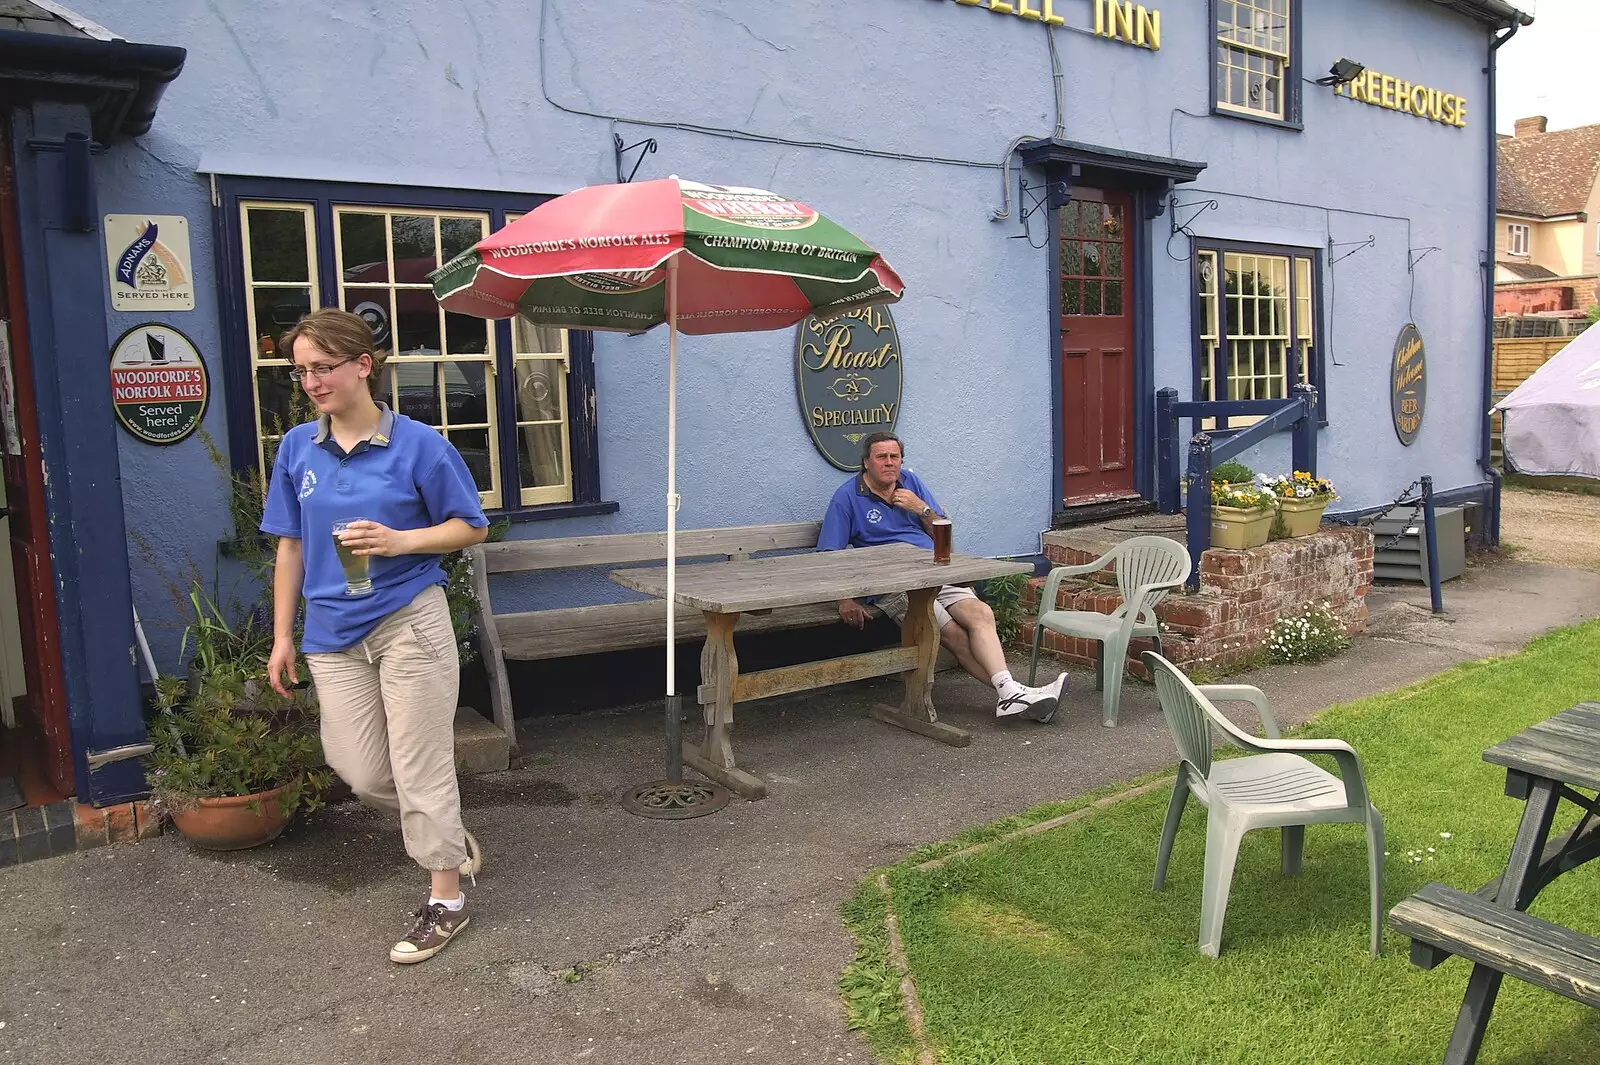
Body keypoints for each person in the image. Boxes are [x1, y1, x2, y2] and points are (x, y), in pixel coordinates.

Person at [262, 308, 490, 965]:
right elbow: (289, 546)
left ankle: (444, 898)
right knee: (360, 769)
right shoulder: (297, 449)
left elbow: (469, 525)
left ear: (363, 365)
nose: (310, 380)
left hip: (406, 618)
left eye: (322, 367)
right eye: (300, 369)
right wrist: (282, 635)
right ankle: (445, 833)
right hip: (331, 633)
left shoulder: (419, 444)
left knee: (421, 765)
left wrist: (399, 540)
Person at [818, 432, 1067, 721]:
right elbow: (829, 555)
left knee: (981, 613)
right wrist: (844, 600)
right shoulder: (847, 496)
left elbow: (942, 535)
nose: (889, 463)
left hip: (935, 572)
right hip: (896, 585)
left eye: (894, 457)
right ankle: (1015, 695)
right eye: (881, 457)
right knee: (951, 634)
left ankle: (1011, 695)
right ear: (865, 463)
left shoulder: (911, 484)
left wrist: (919, 507)